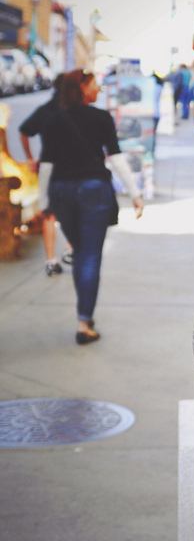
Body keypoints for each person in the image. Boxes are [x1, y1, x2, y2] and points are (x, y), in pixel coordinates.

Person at [44, 70, 144, 344]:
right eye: (94, 85)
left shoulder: (54, 119)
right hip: (93, 190)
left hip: (62, 191)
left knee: (80, 252)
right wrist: (135, 193)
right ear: (82, 88)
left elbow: (47, 164)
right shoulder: (101, 118)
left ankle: (84, 316)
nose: (98, 89)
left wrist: (44, 202)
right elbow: (116, 157)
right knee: (89, 256)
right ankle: (83, 322)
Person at [19, 74, 69, 276]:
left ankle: (51, 259)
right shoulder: (74, 110)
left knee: (49, 212)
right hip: (70, 167)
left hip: (48, 165)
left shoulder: (46, 110)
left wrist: (30, 158)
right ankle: (70, 250)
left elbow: (24, 131)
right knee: (71, 209)